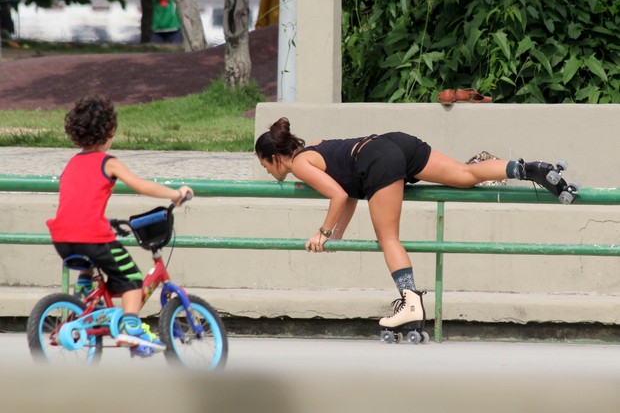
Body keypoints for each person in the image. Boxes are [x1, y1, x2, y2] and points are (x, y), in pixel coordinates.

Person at [255, 117, 566, 333]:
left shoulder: (299, 164)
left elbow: (337, 195)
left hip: (377, 160)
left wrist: (321, 233)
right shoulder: (317, 147)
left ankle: (411, 303)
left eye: (264, 165)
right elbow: (348, 193)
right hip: (395, 142)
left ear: (274, 157)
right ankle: (527, 169)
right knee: (464, 173)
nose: (268, 172)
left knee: (388, 238)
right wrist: (337, 235)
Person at [46, 95, 194, 357]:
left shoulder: (71, 164)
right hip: (91, 236)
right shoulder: (108, 162)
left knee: (96, 264)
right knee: (132, 279)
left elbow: (77, 203)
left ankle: (85, 290)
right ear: (110, 130)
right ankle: (131, 327)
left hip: (62, 239)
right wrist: (175, 194)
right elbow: (142, 186)